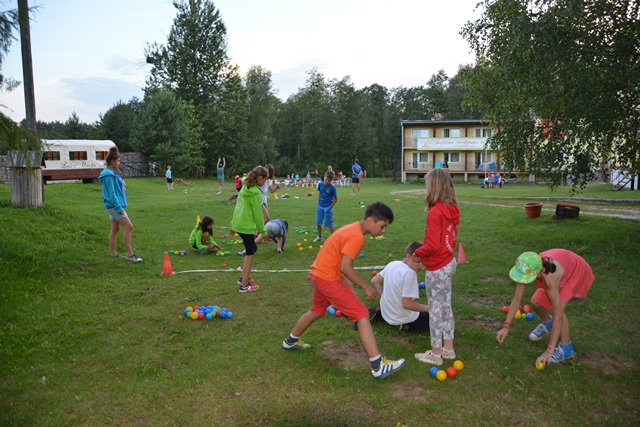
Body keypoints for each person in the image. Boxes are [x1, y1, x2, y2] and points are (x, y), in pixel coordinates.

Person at [281, 202, 406, 380]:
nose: (383, 231)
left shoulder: (352, 229)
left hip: (318, 275)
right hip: (327, 279)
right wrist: (366, 287)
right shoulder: (357, 237)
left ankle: (290, 341)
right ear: (370, 220)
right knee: (362, 315)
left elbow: (342, 264)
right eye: (382, 226)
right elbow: (345, 267)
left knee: (316, 310)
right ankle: (378, 366)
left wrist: (351, 293)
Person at [497, 250, 594, 366]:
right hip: (562, 267)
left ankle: (567, 348)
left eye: (526, 278)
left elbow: (558, 317)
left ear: (538, 274)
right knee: (535, 302)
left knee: (557, 309)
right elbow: (517, 299)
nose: (523, 280)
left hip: (576, 271)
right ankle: (548, 323)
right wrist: (506, 326)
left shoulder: (549, 278)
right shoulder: (532, 266)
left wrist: (549, 350)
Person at [413, 168, 460, 366]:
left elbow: (432, 245)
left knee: (435, 310)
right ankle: (448, 348)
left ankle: (436, 353)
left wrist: (418, 253)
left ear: (434, 186)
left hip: (438, 268)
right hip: (449, 263)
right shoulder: (453, 209)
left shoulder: (435, 212)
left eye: (427, 184)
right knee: (446, 307)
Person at [368, 241, 429, 332]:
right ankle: (401, 325)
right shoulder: (410, 273)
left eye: (423, 261)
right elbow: (407, 304)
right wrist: (430, 308)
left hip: (386, 314)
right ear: (408, 256)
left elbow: (374, 281)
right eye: (418, 261)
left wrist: (384, 298)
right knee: (436, 318)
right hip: (401, 318)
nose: (421, 265)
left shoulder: (392, 264)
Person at [98, 147, 142, 262]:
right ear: (112, 161)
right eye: (118, 161)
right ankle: (130, 255)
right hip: (114, 206)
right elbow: (111, 194)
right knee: (129, 227)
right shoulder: (108, 175)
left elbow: (117, 181)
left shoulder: (111, 173)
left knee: (115, 228)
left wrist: (122, 184)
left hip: (112, 206)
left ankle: (113, 253)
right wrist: (119, 208)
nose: (119, 163)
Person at [229, 166, 269, 293]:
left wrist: (233, 225)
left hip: (239, 225)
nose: (265, 182)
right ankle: (244, 285)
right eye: (265, 179)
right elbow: (258, 216)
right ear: (260, 178)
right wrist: (263, 232)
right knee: (250, 253)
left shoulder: (244, 188)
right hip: (245, 227)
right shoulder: (255, 193)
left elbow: (238, 207)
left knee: (253, 248)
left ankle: (244, 277)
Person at [313, 170, 338, 243]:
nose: (327, 181)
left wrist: (330, 207)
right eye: (326, 179)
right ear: (324, 177)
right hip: (320, 206)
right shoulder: (320, 184)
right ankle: (320, 236)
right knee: (318, 223)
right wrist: (319, 203)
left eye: (329, 180)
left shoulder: (332, 188)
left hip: (328, 208)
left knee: (329, 224)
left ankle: (334, 239)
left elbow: (336, 199)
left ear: (331, 180)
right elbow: (320, 193)